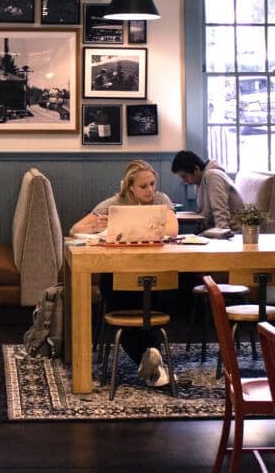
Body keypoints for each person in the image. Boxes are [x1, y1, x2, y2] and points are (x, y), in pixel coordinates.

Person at [69, 160, 177, 387]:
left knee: (150, 314)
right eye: (144, 186)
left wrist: (133, 226)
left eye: (152, 184)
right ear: (130, 187)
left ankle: (153, 366)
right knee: (130, 316)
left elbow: (172, 229)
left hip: (152, 272)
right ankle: (154, 363)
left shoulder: (161, 201)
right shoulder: (114, 203)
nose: (151, 190)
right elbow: (75, 229)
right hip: (118, 274)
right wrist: (99, 225)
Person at [171, 150, 244, 231]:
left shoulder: (212, 176)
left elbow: (221, 213)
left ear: (196, 169)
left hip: (232, 233)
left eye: (184, 176)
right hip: (213, 231)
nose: (184, 180)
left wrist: (222, 239)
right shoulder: (199, 181)